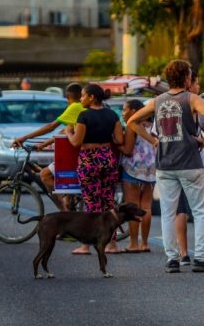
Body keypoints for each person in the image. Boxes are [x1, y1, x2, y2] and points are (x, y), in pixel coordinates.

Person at [128, 60, 204, 273]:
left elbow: (132, 121)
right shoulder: (192, 98)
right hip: (190, 162)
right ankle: (200, 257)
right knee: (199, 211)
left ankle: (172, 258)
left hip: (165, 163)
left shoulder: (158, 100)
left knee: (168, 212)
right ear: (187, 78)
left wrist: (154, 141)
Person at [66, 83, 123, 258]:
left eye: (83, 95)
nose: (81, 98)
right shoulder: (112, 115)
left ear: (91, 97)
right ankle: (112, 244)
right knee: (108, 202)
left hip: (89, 160)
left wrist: (69, 131)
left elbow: (76, 142)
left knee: (92, 202)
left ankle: (86, 245)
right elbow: (119, 139)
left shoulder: (84, 116)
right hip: (107, 158)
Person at [12, 82, 85, 210]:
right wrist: (44, 144)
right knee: (68, 194)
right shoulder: (84, 108)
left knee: (44, 175)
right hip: (83, 155)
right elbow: (66, 131)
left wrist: (24, 138)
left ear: (68, 97)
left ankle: (64, 213)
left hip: (75, 155)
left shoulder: (75, 107)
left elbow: (51, 127)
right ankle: (70, 209)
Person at [119, 98, 155, 253]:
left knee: (132, 206)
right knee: (146, 206)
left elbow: (127, 150)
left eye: (124, 109)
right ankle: (145, 243)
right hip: (150, 170)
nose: (123, 113)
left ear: (133, 111)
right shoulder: (151, 125)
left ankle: (133, 243)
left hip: (132, 170)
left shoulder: (131, 125)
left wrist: (116, 144)